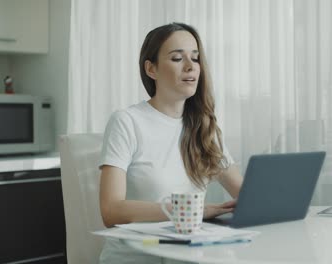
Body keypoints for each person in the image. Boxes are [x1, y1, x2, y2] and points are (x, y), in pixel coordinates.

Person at [98, 22, 243, 263]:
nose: (190, 67)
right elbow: (111, 211)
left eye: (195, 59)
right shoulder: (127, 122)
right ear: (151, 69)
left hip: (188, 257)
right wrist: (195, 212)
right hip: (136, 258)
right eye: (177, 58)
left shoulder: (205, 129)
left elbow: (247, 198)